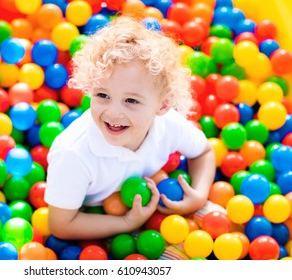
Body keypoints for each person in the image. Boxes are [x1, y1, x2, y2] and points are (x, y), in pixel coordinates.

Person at [44, 16, 216, 241]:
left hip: (156, 204)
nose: (113, 113)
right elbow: (60, 224)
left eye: (131, 101)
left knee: (213, 225)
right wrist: (126, 223)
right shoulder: (73, 153)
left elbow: (204, 151)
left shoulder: (168, 124)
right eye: (103, 95)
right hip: (95, 221)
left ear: (162, 105)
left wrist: (199, 195)